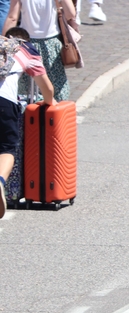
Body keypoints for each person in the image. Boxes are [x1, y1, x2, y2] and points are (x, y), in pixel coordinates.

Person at [0, 27, 57, 218]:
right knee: (7, 148)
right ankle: (0, 182)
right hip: (4, 103)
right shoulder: (27, 50)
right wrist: (49, 101)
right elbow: (46, 88)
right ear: (26, 40)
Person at [2, 0, 76, 101]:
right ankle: (55, 112)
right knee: (56, 84)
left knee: (26, 89)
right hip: (51, 43)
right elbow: (70, 14)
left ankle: (28, 113)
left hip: (26, 44)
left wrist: (4, 43)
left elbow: (12, 17)